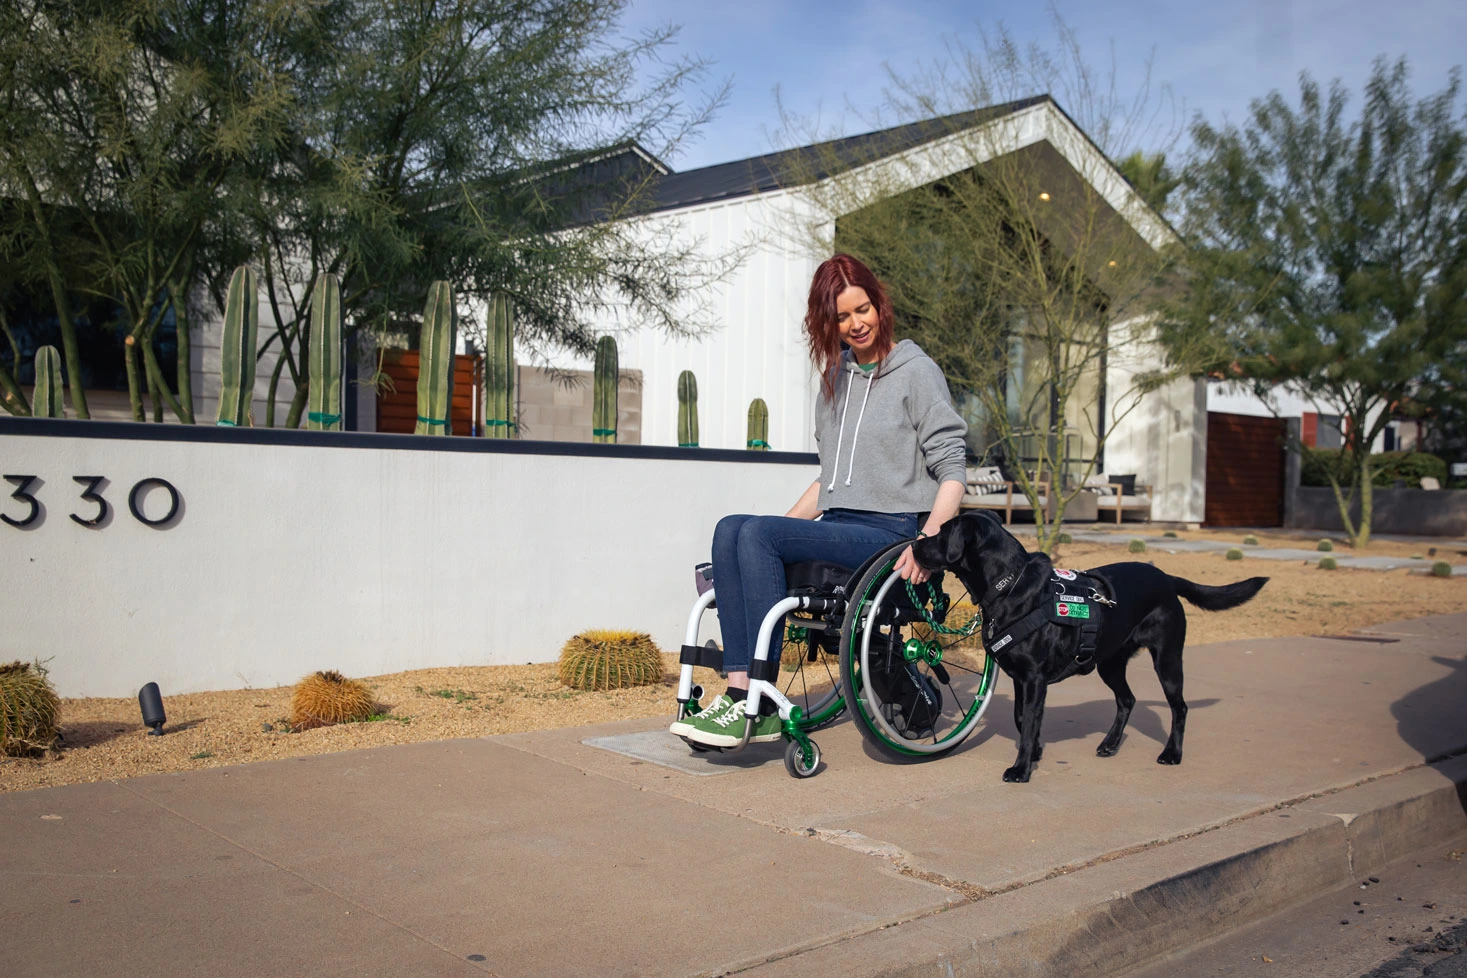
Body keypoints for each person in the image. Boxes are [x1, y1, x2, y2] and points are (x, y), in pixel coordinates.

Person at [671, 254, 969, 749]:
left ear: (880, 305)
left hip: (890, 531)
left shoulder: (916, 372)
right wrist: (762, 537)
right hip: (839, 523)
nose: (856, 324)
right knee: (732, 527)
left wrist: (928, 541)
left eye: (863, 309)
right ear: (826, 322)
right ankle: (741, 688)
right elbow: (828, 482)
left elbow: (952, 468)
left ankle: (758, 701)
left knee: (757, 531)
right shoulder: (834, 382)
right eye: (842, 317)